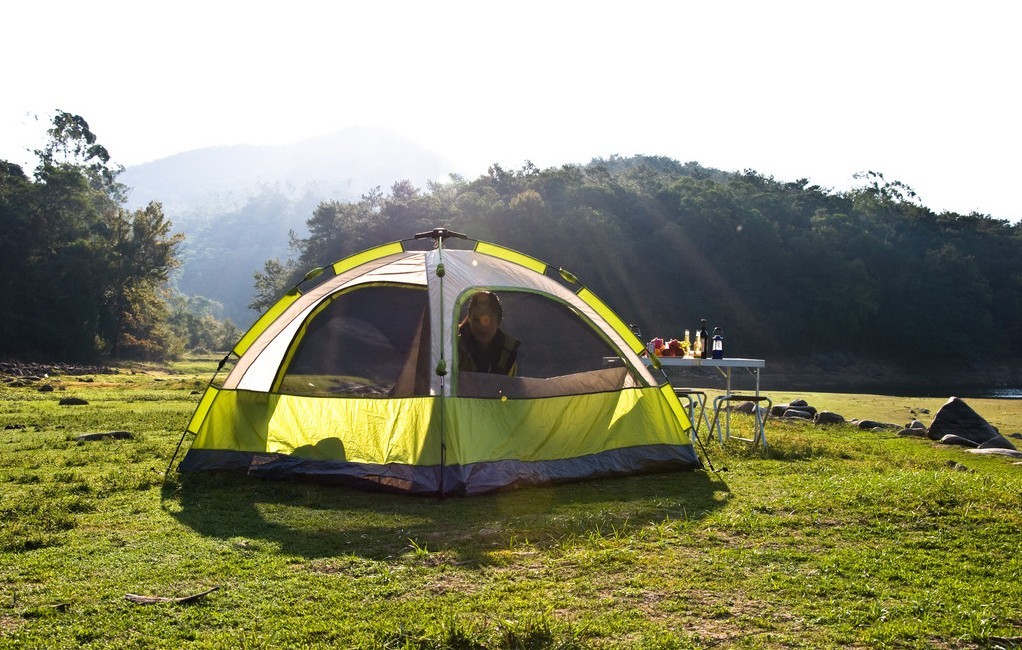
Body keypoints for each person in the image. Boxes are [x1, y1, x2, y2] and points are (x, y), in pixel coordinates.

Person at [457, 291, 520, 376]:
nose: (480, 326)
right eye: (475, 320)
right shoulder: (453, 348)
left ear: (498, 321)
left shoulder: (506, 354)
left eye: (487, 320)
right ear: (469, 320)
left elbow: (509, 387)